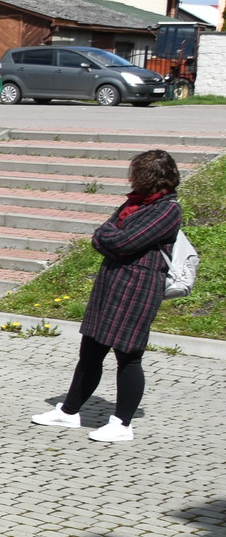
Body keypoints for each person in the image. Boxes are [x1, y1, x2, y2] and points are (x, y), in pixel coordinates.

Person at [31, 149, 182, 442]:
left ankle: (122, 423)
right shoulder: (134, 203)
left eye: (136, 173)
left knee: (128, 356)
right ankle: (69, 411)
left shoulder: (167, 209)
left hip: (138, 287)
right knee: (90, 351)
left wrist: (111, 240)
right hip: (112, 283)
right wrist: (111, 240)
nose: (131, 177)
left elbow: (125, 241)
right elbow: (101, 235)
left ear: (149, 177)